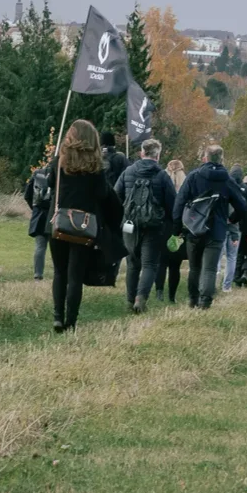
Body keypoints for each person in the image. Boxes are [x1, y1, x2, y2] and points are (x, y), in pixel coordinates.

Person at [45, 120, 126, 333]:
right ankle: (71, 321)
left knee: (59, 272)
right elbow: (102, 195)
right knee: (75, 276)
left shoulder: (58, 163)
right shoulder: (96, 168)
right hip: (84, 227)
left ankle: (57, 317)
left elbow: (50, 185)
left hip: (59, 224)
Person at [173, 146, 247, 309]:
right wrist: (231, 219)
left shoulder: (193, 177)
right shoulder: (227, 180)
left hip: (193, 229)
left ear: (205, 158)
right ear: (222, 159)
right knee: (209, 268)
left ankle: (193, 299)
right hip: (217, 230)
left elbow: (179, 202)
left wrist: (177, 227)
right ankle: (205, 301)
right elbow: (242, 205)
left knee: (194, 268)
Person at [115, 138, 176, 313]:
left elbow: (116, 195)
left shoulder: (128, 172)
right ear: (158, 155)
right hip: (154, 226)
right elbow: (172, 203)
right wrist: (173, 226)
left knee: (133, 264)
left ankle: (129, 301)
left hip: (130, 225)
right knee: (149, 265)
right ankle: (141, 298)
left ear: (142, 153)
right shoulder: (162, 175)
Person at [155, 159, 188, 303]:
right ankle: (172, 296)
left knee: (161, 262)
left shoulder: (162, 181)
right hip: (178, 227)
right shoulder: (186, 184)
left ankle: (159, 292)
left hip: (163, 226)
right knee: (175, 264)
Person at [219, 164, 247, 292]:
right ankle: (227, 286)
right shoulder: (245, 189)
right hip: (236, 226)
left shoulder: (224, 185)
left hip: (221, 225)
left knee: (218, 255)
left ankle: (214, 280)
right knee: (232, 257)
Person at [24, 164, 53, 281]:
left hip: (39, 214)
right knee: (58, 247)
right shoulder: (62, 174)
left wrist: (35, 208)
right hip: (55, 214)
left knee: (40, 246)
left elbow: (27, 195)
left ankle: (38, 275)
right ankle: (60, 274)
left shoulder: (37, 173)